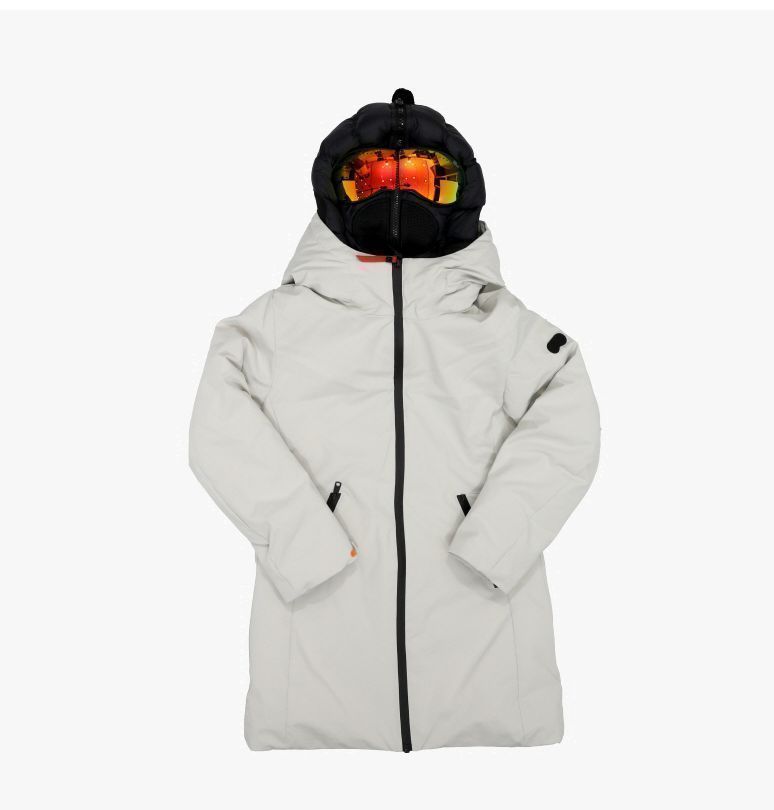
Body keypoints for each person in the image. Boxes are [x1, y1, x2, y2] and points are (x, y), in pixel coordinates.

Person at [189, 89, 601, 752]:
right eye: (374, 174)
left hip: (494, 676)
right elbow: (218, 425)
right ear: (341, 188)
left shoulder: (500, 328)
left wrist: (495, 544)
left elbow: (567, 420)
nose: (396, 190)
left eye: (419, 176)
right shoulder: (278, 327)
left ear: (456, 193)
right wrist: (302, 543)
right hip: (312, 675)